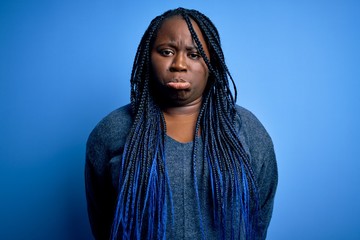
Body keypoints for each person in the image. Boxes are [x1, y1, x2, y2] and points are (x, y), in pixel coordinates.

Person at [85, 7, 278, 240]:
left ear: (211, 63)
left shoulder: (246, 129)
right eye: (166, 52)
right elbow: (104, 222)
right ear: (148, 57)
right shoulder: (112, 131)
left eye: (194, 54)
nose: (179, 64)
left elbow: (258, 220)